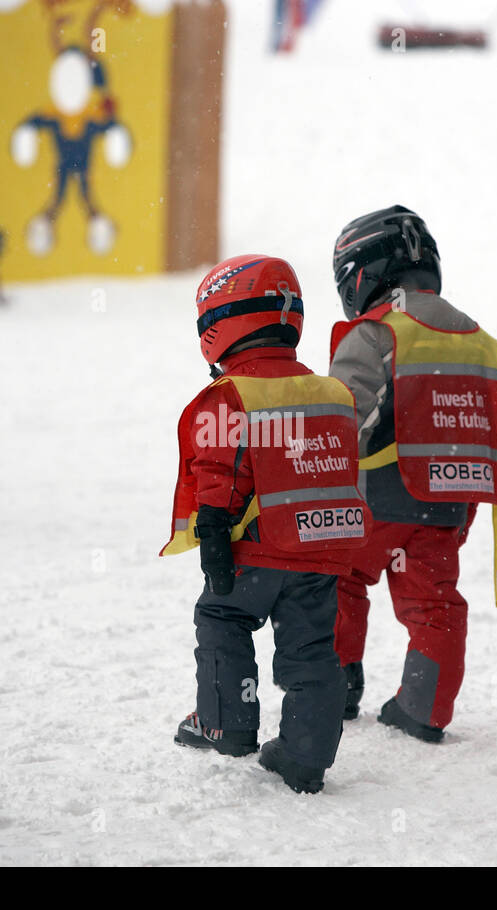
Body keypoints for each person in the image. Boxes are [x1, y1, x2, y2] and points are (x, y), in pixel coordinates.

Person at [160, 254, 370, 793]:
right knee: (311, 651)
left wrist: (212, 535)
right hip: (321, 552)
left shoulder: (231, 394)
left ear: (217, 323)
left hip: (253, 552)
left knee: (221, 621)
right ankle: (306, 757)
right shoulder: (332, 392)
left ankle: (227, 725)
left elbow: (217, 472)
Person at [328, 206, 497, 743]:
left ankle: (336, 687)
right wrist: (463, 510)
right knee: (435, 605)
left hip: (370, 505)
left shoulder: (377, 333)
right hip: (444, 507)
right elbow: (481, 435)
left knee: (338, 583)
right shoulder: (478, 338)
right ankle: (423, 708)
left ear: (361, 275)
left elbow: (345, 422)